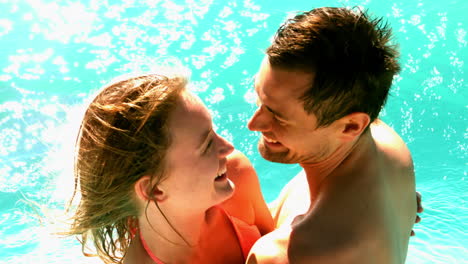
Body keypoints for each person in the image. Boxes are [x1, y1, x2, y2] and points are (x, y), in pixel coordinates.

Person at [246, 7, 419, 264]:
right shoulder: (387, 144)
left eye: (279, 116)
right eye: (259, 97)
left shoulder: (285, 255)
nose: (253, 123)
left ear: (350, 127)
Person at [66, 72, 274, 263]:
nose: (228, 147)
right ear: (154, 189)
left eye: (213, 131)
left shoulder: (236, 173)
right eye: (207, 145)